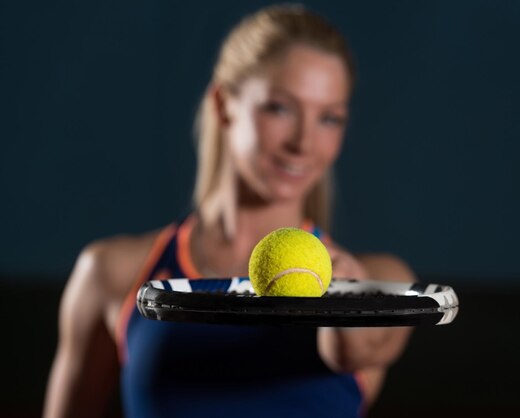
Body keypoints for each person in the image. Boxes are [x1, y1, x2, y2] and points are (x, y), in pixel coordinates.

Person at [44, 4, 416, 418]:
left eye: (329, 118)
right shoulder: (111, 272)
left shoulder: (384, 281)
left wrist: (344, 298)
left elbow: (354, 351)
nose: (304, 143)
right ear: (224, 105)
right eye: (280, 108)